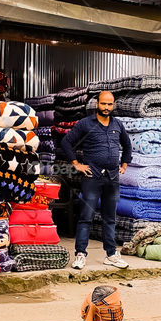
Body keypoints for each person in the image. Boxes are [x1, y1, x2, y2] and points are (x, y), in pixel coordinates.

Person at [60, 91, 132, 270]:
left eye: (109, 104)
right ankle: (80, 254)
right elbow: (66, 143)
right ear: (97, 104)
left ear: (113, 105)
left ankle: (111, 254)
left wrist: (124, 164)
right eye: (103, 104)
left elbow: (127, 145)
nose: (106, 107)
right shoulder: (85, 124)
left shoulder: (118, 124)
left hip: (112, 178)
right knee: (86, 217)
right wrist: (77, 164)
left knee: (110, 218)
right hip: (92, 177)